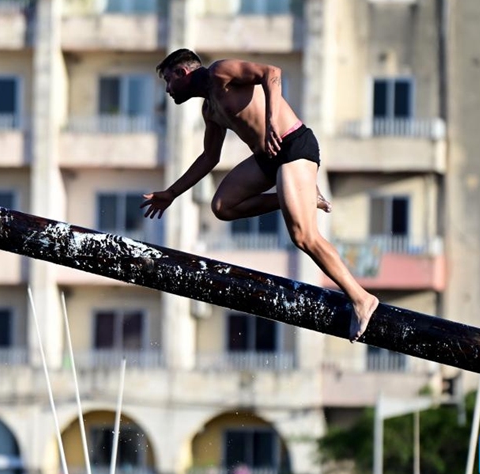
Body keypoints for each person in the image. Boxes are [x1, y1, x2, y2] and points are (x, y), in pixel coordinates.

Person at [140, 48, 379, 342]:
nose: (167, 89)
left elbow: (272, 73)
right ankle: (300, 199)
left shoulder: (220, 72)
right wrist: (172, 193)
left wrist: (269, 124)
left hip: (291, 144)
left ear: (182, 73)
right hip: (268, 158)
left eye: (167, 80)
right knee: (222, 206)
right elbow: (209, 158)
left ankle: (361, 298)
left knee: (304, 236)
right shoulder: (210, 110)